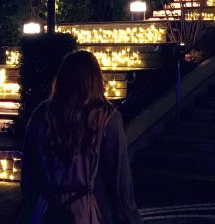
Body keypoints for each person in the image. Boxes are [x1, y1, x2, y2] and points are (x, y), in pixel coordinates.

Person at [20, 50, 142, 224]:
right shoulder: (105, 117)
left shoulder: (42, 114)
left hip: (44, 210)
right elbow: (119, 178)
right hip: (86, 213)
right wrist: (130, 216)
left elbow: (29, 173)